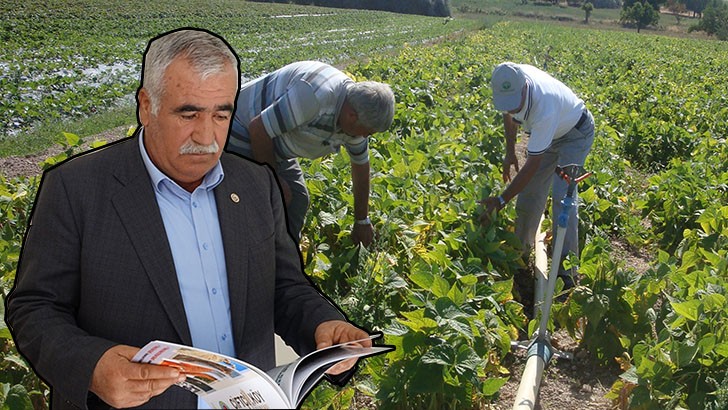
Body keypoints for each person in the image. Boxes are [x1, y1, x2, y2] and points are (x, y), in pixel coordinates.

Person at [5, 28, 371, 410]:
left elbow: (283, 286)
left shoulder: (255, 185)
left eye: (221, 114)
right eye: (189, 113)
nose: (206, 136)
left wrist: (322, 324)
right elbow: (35, 307)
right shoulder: (76, 188)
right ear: (146, 106)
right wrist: (92, 366)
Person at [227, 61, 395, 245]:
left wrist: (362, 220)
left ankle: (284, 254)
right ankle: (247, 251)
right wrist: (272, 182)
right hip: (238, 129)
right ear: (351, 116)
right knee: (263, 202)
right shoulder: (314, 97)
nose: (365, 137)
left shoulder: (355, 116)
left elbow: (361, 167)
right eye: (367, 132)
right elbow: (258, 129)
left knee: (297, 199)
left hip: (274, 140)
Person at [480, 62, 595, 305]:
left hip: (575, 133)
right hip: (552, 131)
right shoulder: (509, 80)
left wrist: (501, 200)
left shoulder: (544, 107)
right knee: (530, 194)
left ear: (525, 88)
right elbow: (509, 115)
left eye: (515, 102)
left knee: (564, 200)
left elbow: (532, 165)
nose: (512, 107)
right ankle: (520, 255)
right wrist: (510, 151)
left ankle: (566, 274)